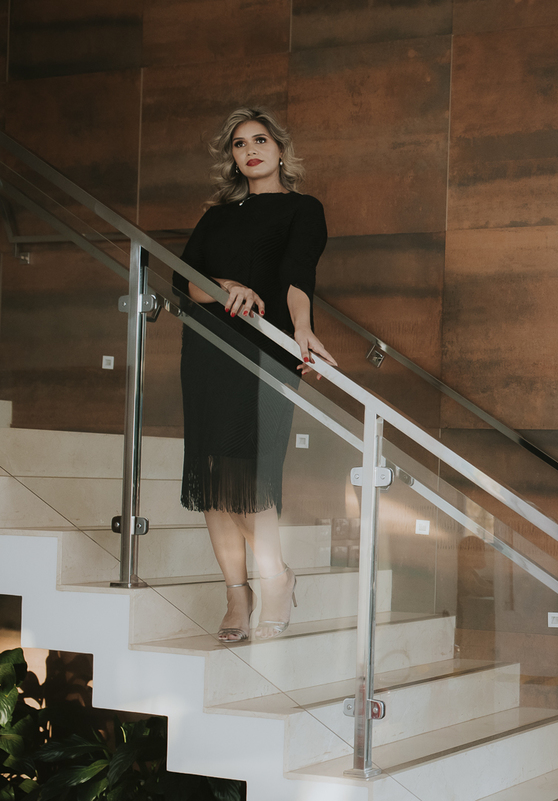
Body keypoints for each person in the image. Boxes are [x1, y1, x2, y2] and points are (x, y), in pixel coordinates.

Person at [174, 107, 337, 643]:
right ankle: (236, 595)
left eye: (260, 140)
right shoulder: (217, 217)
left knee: (247, 478)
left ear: (280, 150)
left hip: (264, 351)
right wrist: (224, 285)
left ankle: (275, 579)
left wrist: (303, 329)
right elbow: (184, 280)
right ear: (233, 158)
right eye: (240, 144)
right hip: (207, 351)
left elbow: (296, 275)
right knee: (212, 478)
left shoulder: (302, 209)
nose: (250, 150)